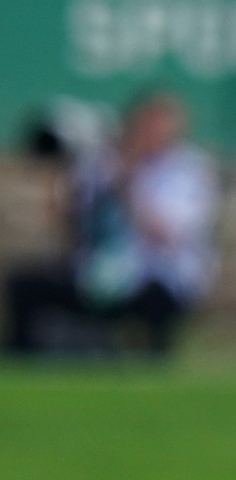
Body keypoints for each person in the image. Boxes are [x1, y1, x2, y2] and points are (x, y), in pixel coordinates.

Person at [5, 91, 216, 357]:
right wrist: (68, 171)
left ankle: (153, 364)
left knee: (156, 297)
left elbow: (166, 235)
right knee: (26, 283)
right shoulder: (103, 164)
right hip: (100, 270)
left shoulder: (188, 171)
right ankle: (25, 360)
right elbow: (69, 223)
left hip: (158, 277)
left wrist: (129, 185)